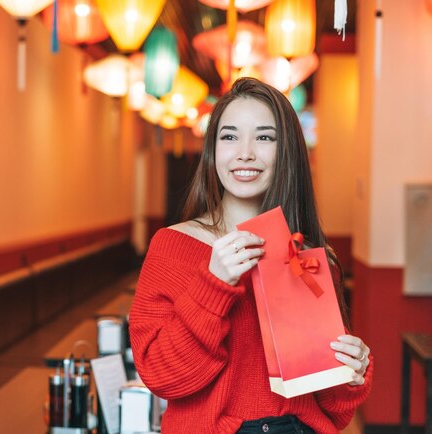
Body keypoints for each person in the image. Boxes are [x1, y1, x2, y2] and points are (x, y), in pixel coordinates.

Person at [129, 77, 373, 433]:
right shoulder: (172, 246)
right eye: (229, 136)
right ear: (212, 150)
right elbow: (162, 377)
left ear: (286, 150)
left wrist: (352, 373)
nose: (245, 152)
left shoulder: (309, 261)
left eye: (264, 137)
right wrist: (213, 284)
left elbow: (330, 409)